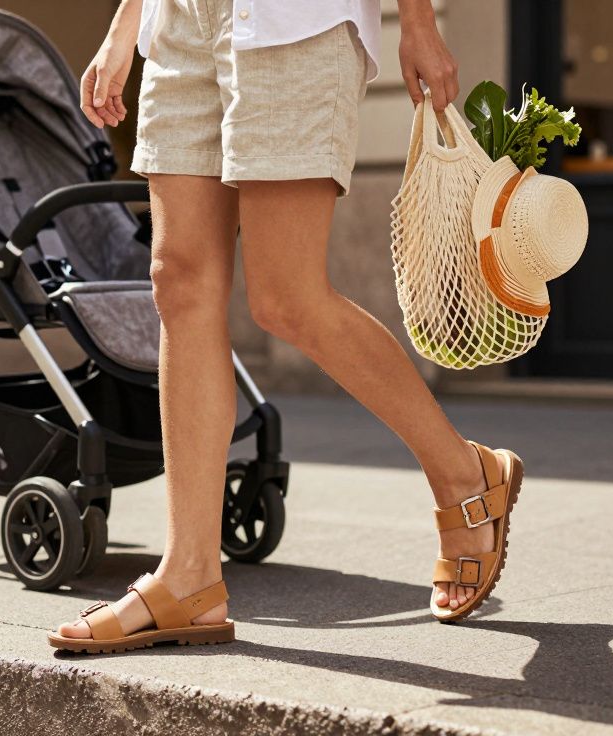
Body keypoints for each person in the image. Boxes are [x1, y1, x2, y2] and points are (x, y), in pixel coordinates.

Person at [48, 0, 525, 654]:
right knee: (178, 282)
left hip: (295, 24)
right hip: (181, 24)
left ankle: (463, 472)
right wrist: (125, 24)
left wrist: (417, 22)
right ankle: (189, 576)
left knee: (287, 299)